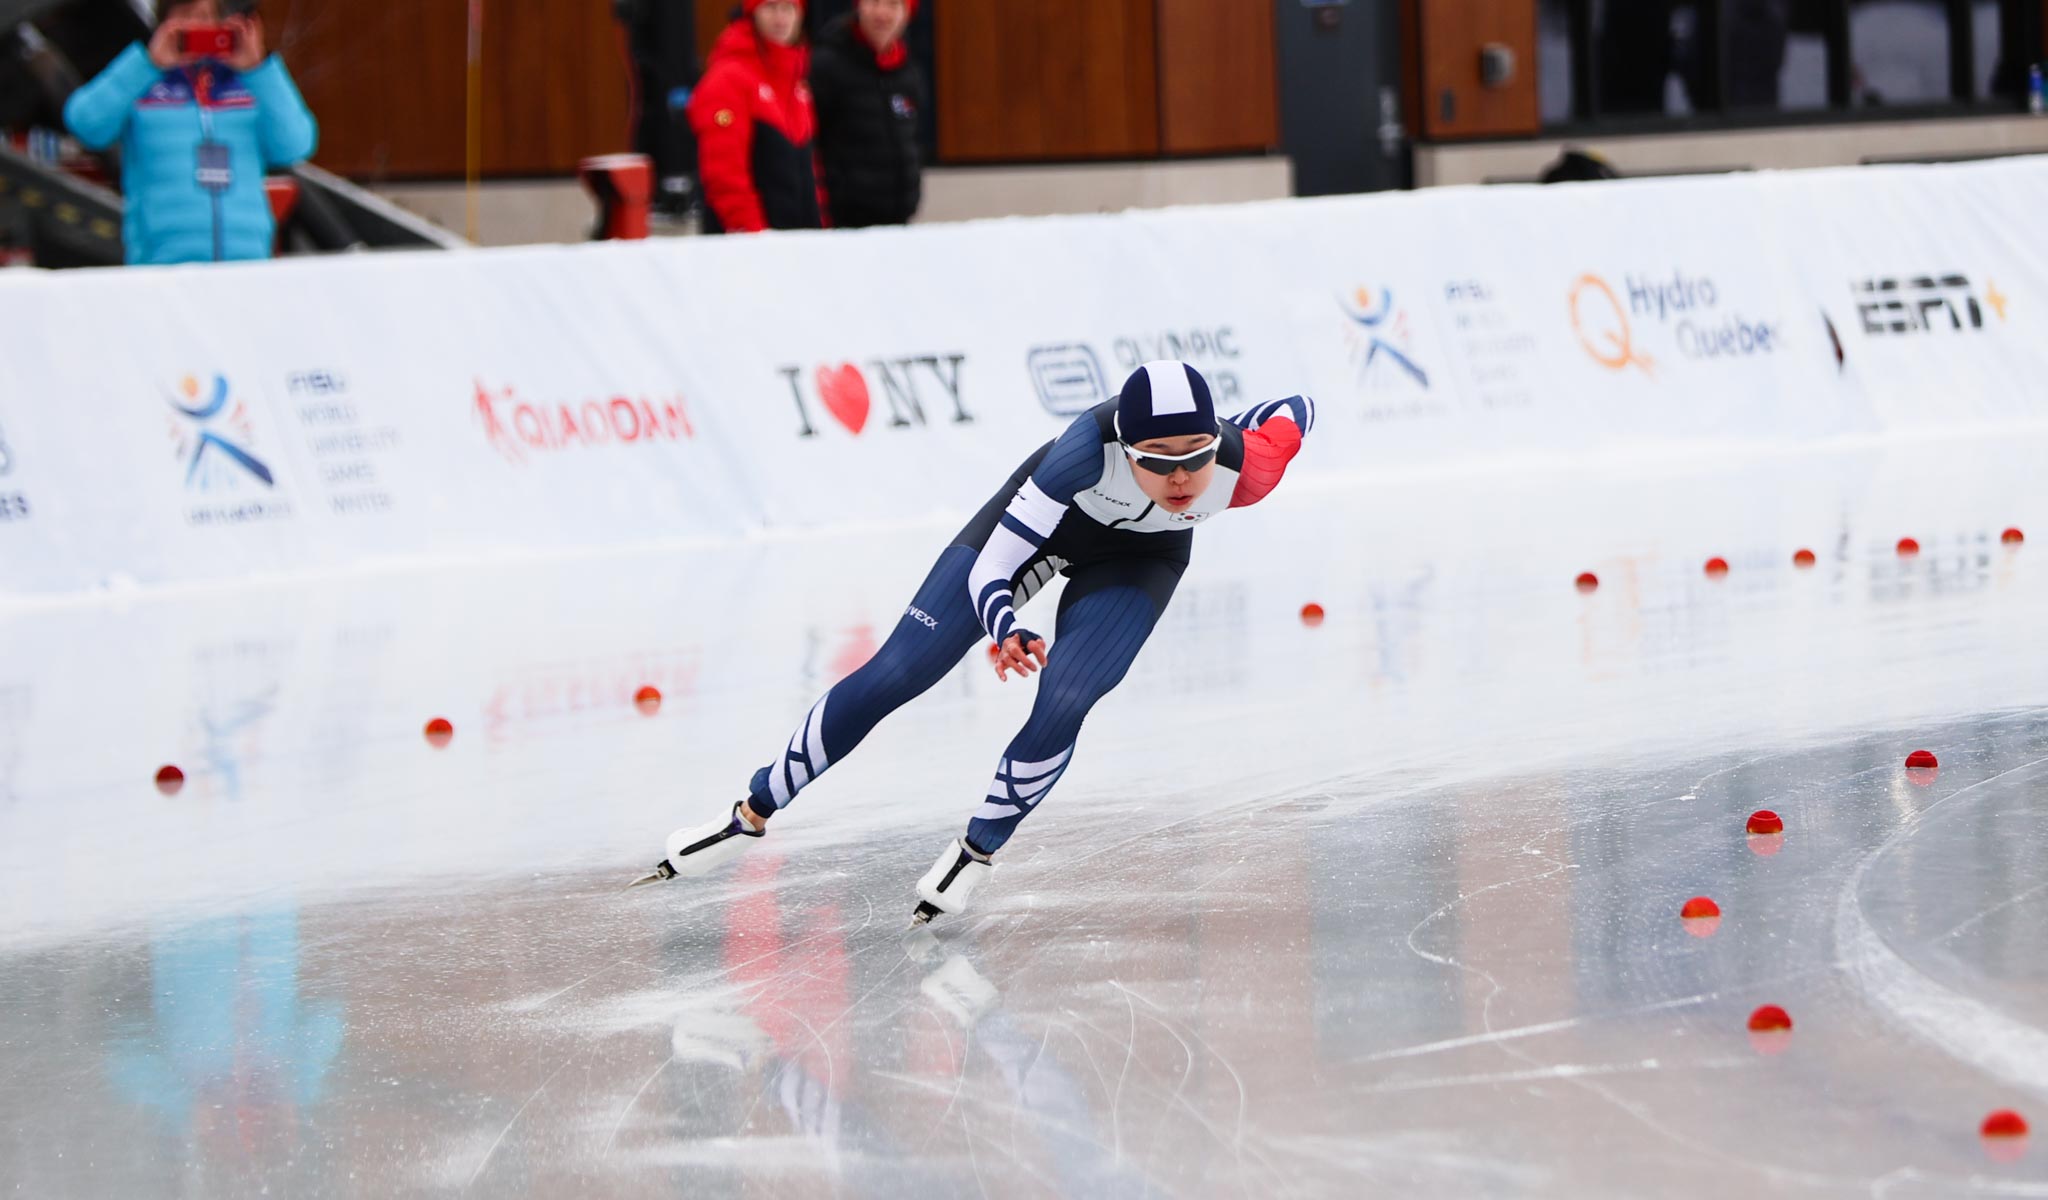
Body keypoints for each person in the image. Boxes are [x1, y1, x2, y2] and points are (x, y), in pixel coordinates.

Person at [632, 362, 1317, 924]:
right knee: (898, 670)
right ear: (1123, 448)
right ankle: (750, 812)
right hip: (1039, 534)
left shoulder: (1246, 469)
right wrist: (1006, 625)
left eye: (1194, 458)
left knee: (1068, 695)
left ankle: (975, 852)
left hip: (1138, 562)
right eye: (1155, 461)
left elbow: (1296, 402)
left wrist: (1242, 422)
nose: (1178, 479)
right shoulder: (1080, 453)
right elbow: (994, 568)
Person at [62, 0, 316, 266]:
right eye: (187, 15)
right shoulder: (142, 83)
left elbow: (296, 144)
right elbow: (85, 124)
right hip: (161, 265)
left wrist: (259, 70)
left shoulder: (251, 85)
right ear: (164, 22)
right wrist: (148, 63)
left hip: (246, 263)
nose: (199, 25)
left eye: (208, 16)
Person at [688, 0, 823, 234]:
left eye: (788, 8)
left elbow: (812, 171)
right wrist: (754, 240)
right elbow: (725, 175)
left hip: (801, 248)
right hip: (751, 251)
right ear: (752, 13)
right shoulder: (728, 78)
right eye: (771, 7)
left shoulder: (797, 81)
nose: (780, 18)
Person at [809, 0, 925, 228]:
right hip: (843, 226)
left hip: (898, 220)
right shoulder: (825, 65)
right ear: (859, 7)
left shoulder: (908, 72)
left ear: (906, 14)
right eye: (874, 2)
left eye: (893, 5)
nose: (882, 13)